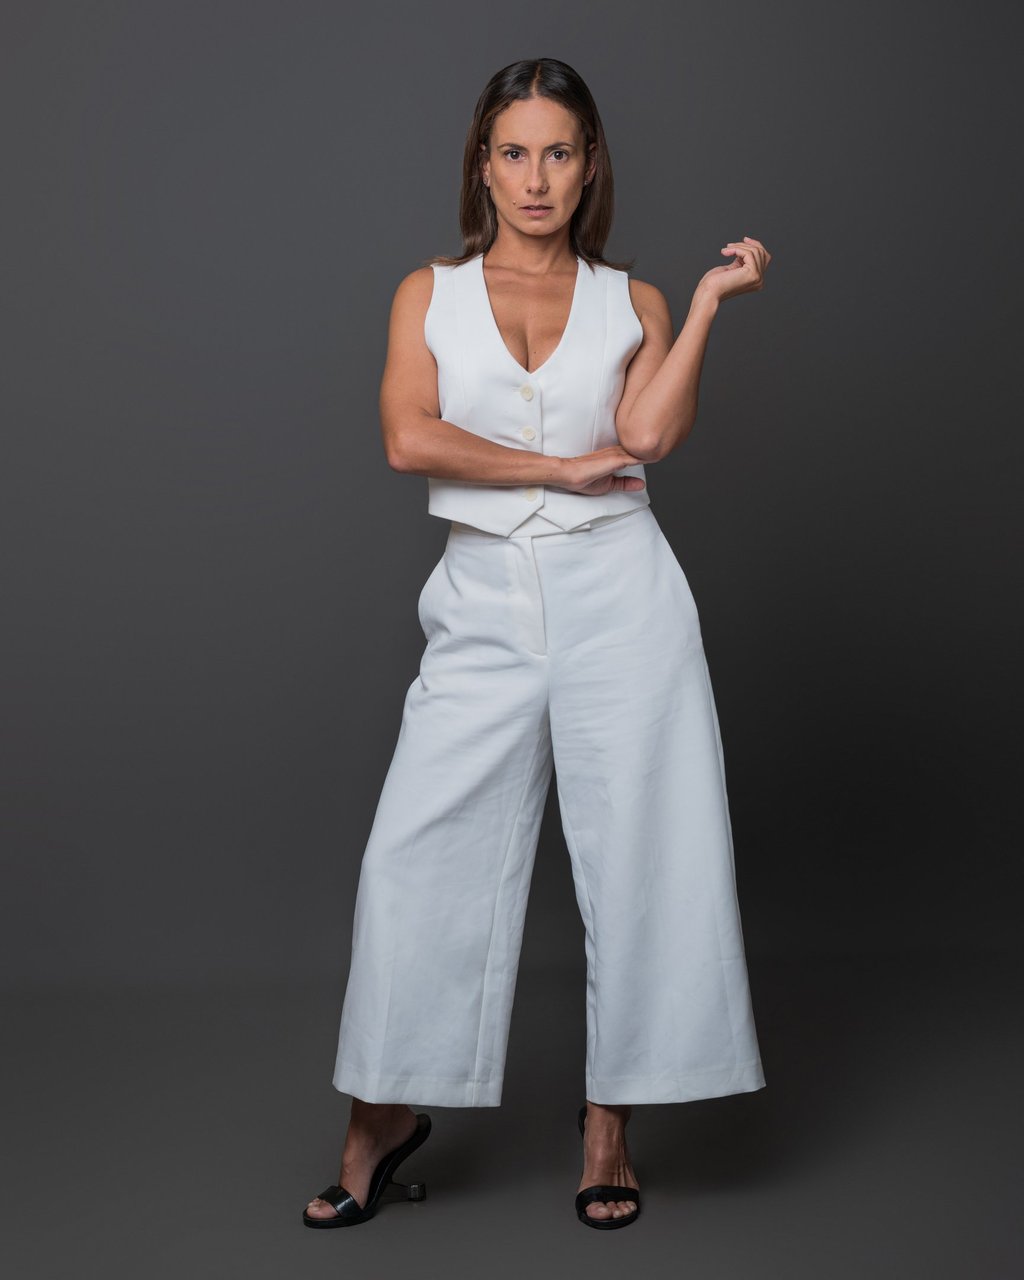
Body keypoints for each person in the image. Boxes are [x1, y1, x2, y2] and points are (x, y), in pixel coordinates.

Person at [303, 57, 771, 1232]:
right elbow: (408, 436)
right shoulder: (428, 293)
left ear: (589, 164)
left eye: (558, 152)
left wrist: (705, 305)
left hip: (623, 592)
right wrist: (555, 467)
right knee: (416, 853)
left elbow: (646, 434)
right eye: (513, 152)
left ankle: (609, 1123)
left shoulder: (632, 299)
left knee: (648, 852)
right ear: (482, 164)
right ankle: (380, 1117)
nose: (535, 178)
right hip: (483, 599)